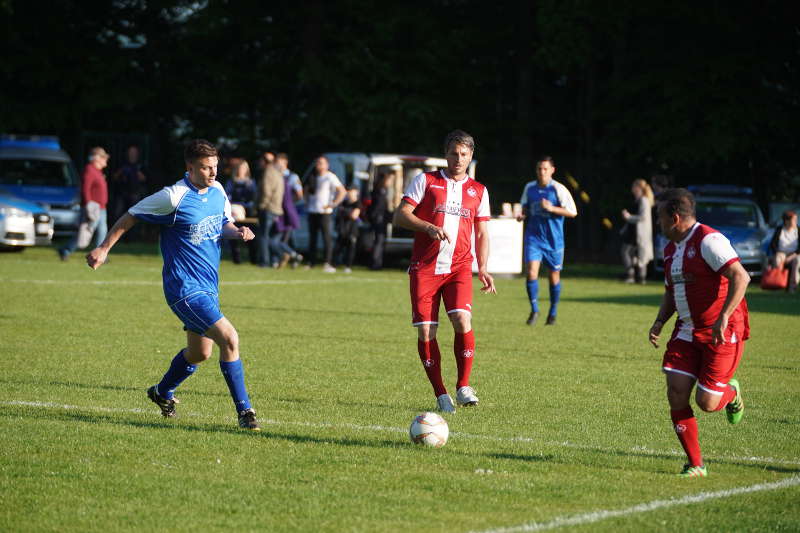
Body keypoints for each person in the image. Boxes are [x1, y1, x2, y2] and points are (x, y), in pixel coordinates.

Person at [85, 139, 261, 431]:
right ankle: (245, 413)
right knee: (230, 338)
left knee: (199, 353)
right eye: (206, 167)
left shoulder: (217, 190)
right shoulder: (173, 197)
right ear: (189, 167)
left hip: (208, 287)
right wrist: (104, 248)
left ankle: (162, 393)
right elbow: (131, 214)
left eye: (215, 166)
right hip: (183, 289)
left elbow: (222, 224)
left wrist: (238, 231)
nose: (213, 172)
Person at [392, 129, 496, 414]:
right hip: (425, 268)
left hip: (459, 267)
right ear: (445, 154)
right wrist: (427, 226)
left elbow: (482, 232)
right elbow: (400, 214)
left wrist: (483, 267)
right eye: (453, 153)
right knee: (426, 332)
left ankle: (464, 386)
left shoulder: (479, 191)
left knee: (463, 319)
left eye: (464, 154)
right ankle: (441, 393)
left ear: (471, 155)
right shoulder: (426, 180)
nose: (458, 159)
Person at [648, 188, 748, 478]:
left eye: (660, 217)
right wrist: (659, 322)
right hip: (687, 331)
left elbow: (741, 277)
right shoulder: (670, 249)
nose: (659, 223)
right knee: (676, 393)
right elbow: (671, 290)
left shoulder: (709, 241)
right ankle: (696, 465)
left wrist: (724, 316)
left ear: (674, 218)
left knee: (707, 403)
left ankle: (730, 393)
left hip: (721, 331)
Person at [516, 155, 578, 326]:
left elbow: (573, 212)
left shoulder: (559, 189)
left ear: (552, 170)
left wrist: (551, 208)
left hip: (553, 241)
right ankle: (534, 310)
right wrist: (522, 214)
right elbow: (525, 207)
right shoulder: (529, 188)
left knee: (553, 276)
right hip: (533, 237)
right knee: (531, 272)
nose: (542, 172)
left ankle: (552, 312)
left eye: (545, 169)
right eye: (539, 169)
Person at [59, 146, 110, 261]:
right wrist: (88, 205)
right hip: (93, 208)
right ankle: (66, 249)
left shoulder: (97, 171)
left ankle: (100, 255)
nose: (105, 160)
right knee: (84, 233)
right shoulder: (90, 170)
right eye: (103, 157)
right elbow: (85, 189)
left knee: (102, 232)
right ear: (97, 158)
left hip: (101, 208)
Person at [305, 155, 345, 272]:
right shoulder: (312, 177)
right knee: (312, 238)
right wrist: (307, 202)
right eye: (318, 163)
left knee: (326, 238)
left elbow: (342, 191)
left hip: (325, 212)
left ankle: (327, 262)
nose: (319, 165)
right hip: (313, 211)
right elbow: (306, 191)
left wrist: (333, 204)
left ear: (327, 165)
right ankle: (311, 262)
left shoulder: (330, 177)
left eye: (321, 163)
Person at [271, 153, 303, 268]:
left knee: (283, 240)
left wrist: (288, 203)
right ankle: (290, 257)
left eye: (278, 162)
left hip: (288, 213)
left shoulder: (292, 177)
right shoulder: (274, 175)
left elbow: (299, 194)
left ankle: (292, 256)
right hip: (277, 211)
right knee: (276, 238)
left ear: (285, 162)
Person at [620, 179, 655, 283]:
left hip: (638, 232)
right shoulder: (638, 199)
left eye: (634, 187)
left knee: (627, 252)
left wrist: (629, 217)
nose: (632, 189)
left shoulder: (643, 200)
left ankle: (632, 275)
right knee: (635, 254)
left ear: (639, 188)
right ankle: (639, 277)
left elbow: (643, 217)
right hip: (633, 231)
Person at [224, 160, 258, 264]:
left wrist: (249, 205)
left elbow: (255, 196)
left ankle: (253, 259)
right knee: (234, 234)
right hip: (234, 211)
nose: (241, 170)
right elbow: (226, 196)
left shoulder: (251, 182)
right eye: (239, 168)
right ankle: (236, 259)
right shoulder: (231, 182)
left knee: (249, 235)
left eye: (243, 168)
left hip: (248, 212)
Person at [256, 160, 285, 268]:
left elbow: (266, 191)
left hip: (268, 208)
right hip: (277, 209)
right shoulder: (278, 173)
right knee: (271, 237)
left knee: (263, 236)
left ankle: (265, 262)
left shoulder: (268, 172)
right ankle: (282, 255)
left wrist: (262, 205)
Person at [110, 144, 147, 223]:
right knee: (118, 215)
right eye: (131, 152)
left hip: (135, 194)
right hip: (122, 193)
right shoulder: (122, 164)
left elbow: (145, 179)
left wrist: (138, 173)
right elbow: (114, 177)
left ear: (137, 154)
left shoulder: (141, 165)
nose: (132, 155)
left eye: (134, 153)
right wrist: (121, 171)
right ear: (127, 154)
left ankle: (134, 234)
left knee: (134, 215)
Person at [766, 210, 799, 293]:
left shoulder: (798, 230)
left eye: (796, 220)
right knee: (777, 260)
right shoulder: (779, 230)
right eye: (794, 220)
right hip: (781, 253)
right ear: (787, 221)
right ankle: (775, 284)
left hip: (794, 254)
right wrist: (778, 253)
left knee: (795, 261)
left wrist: (793, 255)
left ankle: (791, 288)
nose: (796, 222)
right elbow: (773, 244)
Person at [367, 170, 393, 270]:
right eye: (389, 180)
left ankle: (377, 262)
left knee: (379, 242)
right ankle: (375, 264)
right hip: (380, 219)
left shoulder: (380, 191)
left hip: (380, 219)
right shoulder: (381, 192)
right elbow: (379, 208)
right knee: (379, 242)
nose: (390, 183)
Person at [333, 183, 361, 273]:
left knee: (351, 247)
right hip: (343, 228)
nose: (349, 193)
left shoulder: (357, 203)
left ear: (356, 192)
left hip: (352, 229)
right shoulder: (344, 203)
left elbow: (354, 215)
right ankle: (334, 264)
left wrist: (345, 212)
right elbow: (339, 213)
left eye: (351, 191)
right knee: (338, 247)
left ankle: (348, 266)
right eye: (348, 191)